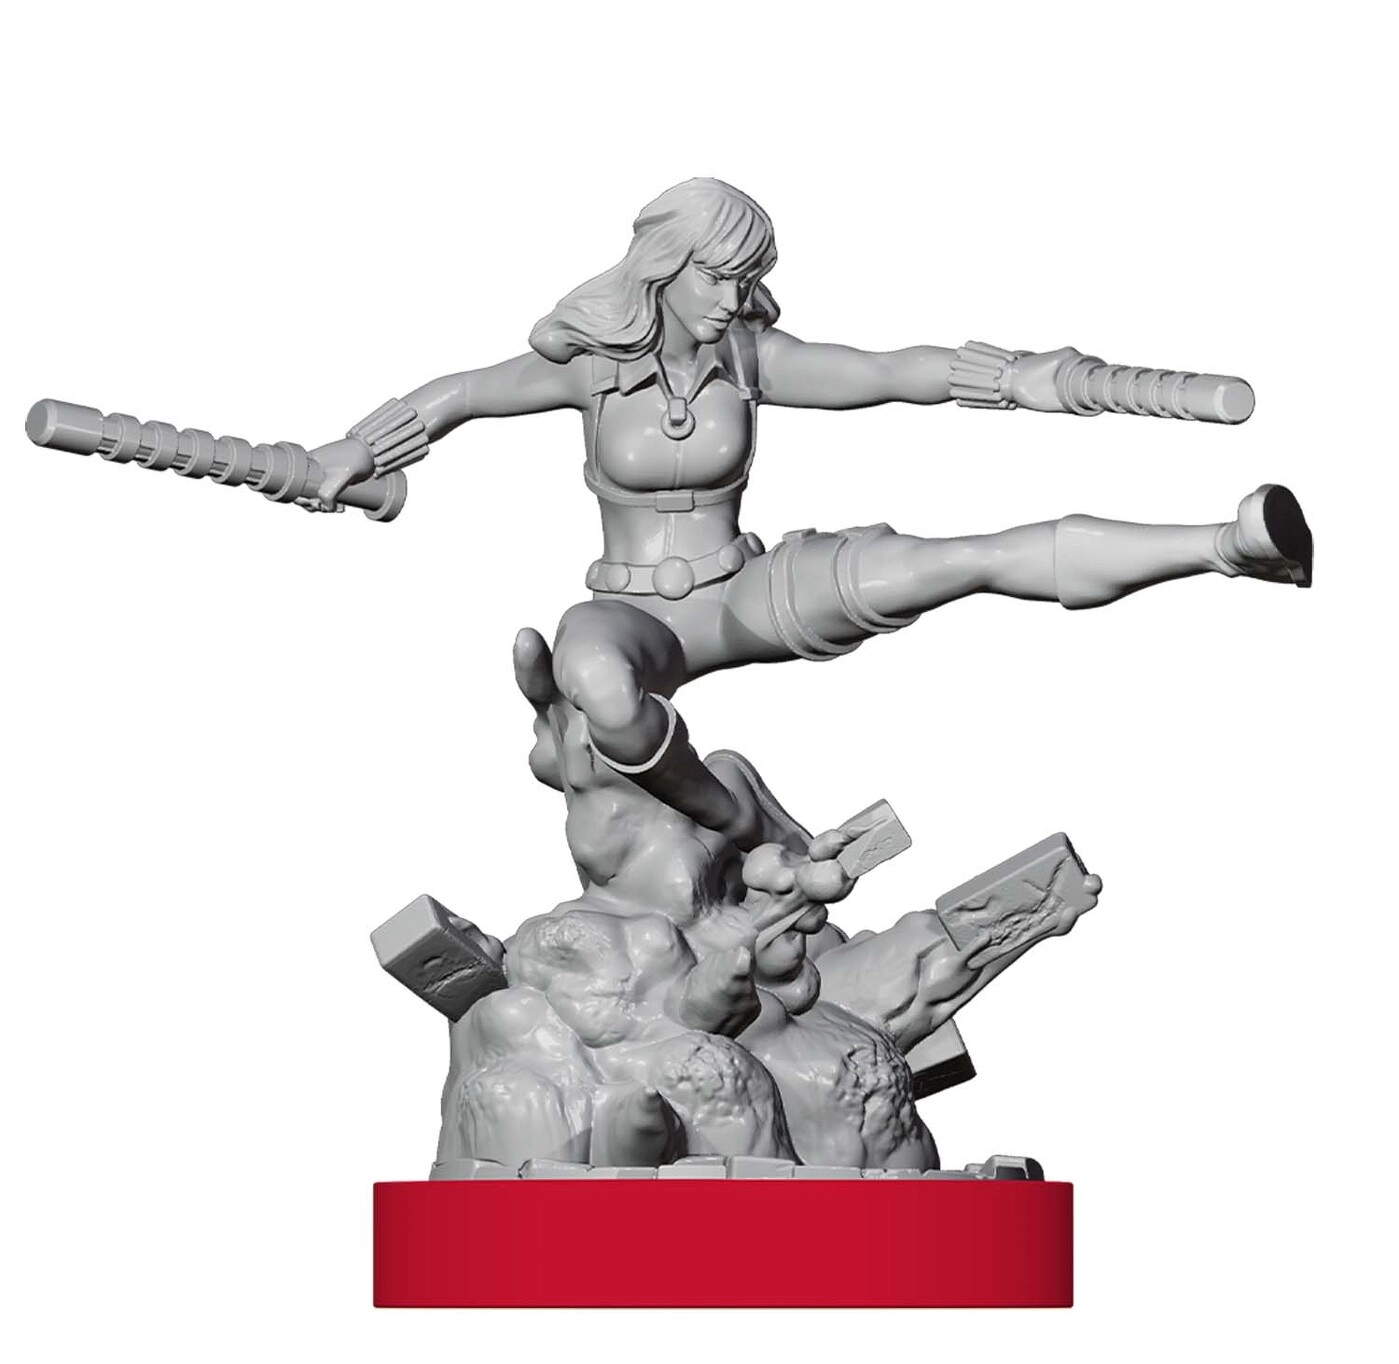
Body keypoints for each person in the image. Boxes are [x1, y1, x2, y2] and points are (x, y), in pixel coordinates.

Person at [308, 178, 1312, 849]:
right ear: (663, 266)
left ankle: (1227, 547)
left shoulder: (751, 361)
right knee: (597, 683)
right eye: (716, 274)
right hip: (638, 618)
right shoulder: (593, 371)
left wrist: (1028, 377)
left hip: (743, 594)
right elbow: (459, 394)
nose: (733, 295)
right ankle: (741, 825)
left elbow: (892, 372)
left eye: (746, 278)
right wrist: (355, 450)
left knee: (955, 561)